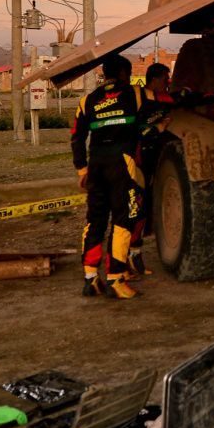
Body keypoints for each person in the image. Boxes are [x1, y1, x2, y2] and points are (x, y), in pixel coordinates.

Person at [71, 54, 161, 299]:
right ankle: (115, 279)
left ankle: (91, 279)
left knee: (95, 220)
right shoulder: (136, 93)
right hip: (123, 163)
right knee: (123, 220)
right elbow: (164, 104)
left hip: (96, 164)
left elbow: (77, 137)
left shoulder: (87, 100)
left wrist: (82, 169)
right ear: (124, 73)